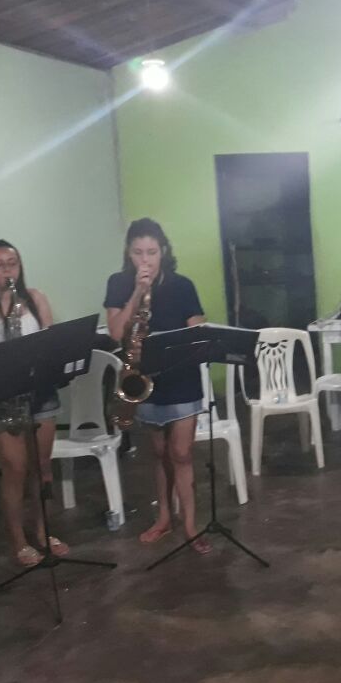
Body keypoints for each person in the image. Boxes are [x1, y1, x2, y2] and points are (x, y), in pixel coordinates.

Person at [104, 219, 209, 552]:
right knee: (159, 453)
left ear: (163, 251)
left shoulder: (182, 285)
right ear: (128, 252)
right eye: (138, 252)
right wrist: (137, 292)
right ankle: (164, 517)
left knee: (182, 453)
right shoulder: (119, 283)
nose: (145, 260)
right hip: (145, 379)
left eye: (151, 252)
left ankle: (190, 524)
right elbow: (116, 332)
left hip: (181, 377)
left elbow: (198, 329)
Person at [0, 240, 65, 567]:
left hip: (39, 393)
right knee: (14, 469)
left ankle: (42, 530)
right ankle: (18, 540)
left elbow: (50, 342)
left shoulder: (35, 299)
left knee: (42, 467)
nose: (6, 270)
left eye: (12, 263)